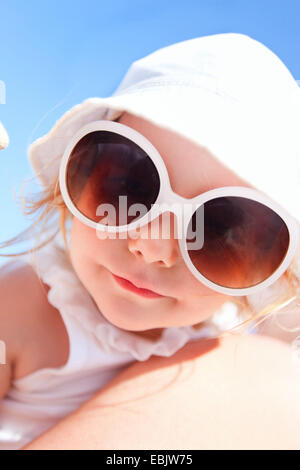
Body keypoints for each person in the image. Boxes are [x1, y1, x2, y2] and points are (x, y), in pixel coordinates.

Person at [0, 32, 300, 450]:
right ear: (78, 177)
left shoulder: (219, 352)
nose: (152, 246)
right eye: (127, 187)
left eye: (219, 230)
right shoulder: (18, 307)